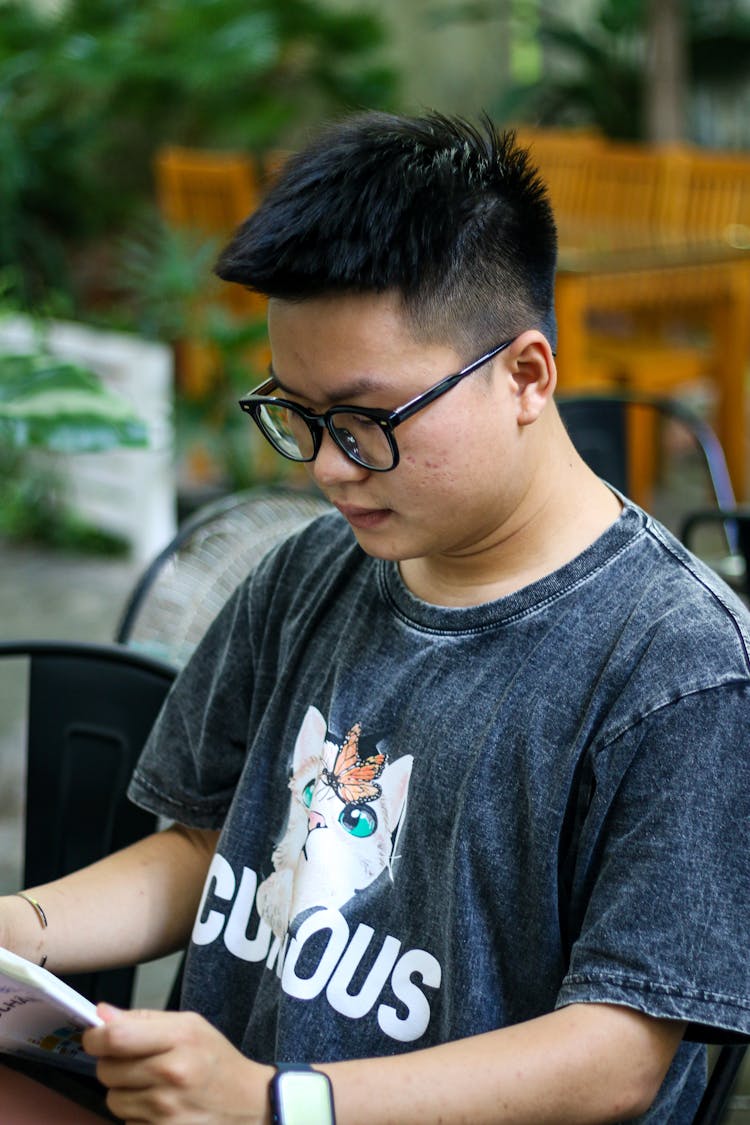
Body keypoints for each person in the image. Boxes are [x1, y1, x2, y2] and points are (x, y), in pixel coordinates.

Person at [2, 111, 749, 1125]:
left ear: (525, 375)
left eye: (364, 421)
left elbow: (619, 1051)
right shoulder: (309, 573)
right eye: (297, 415)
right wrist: (22, 932)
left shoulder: (678, 665)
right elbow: (209, 847)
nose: (326, 467)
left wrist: (281, 1101)